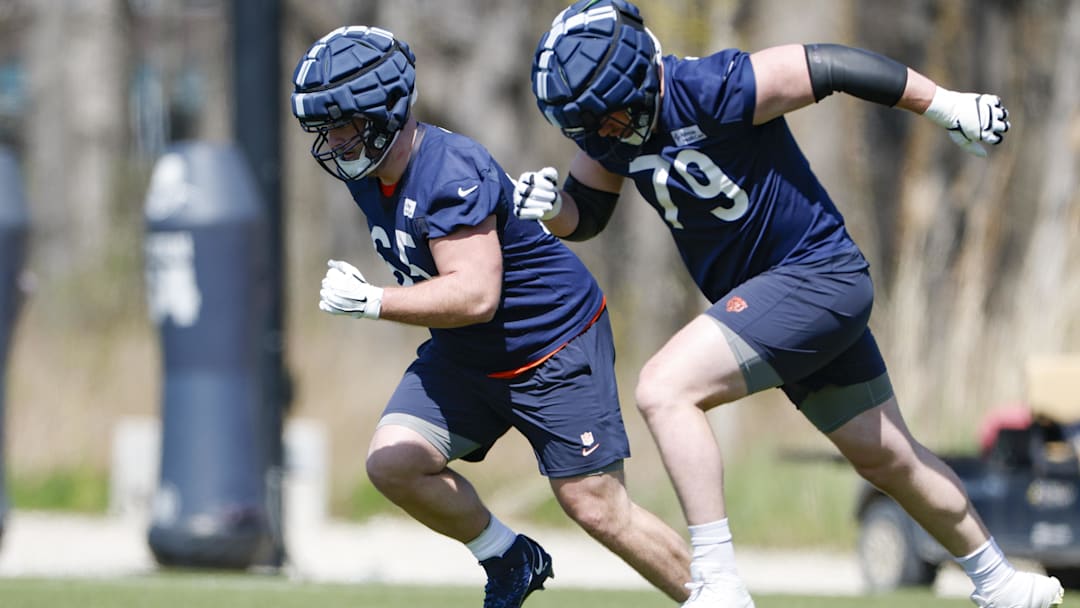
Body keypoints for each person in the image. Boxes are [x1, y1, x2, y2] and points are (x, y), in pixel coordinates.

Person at [514, 2, 1065, 607]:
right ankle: (1001, 583)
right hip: (784, 302)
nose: (601, 134)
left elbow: (832, 65)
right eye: (587, 124)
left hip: (815, 277)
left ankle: (718, 582)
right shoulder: (608, 134)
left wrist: (945, 104)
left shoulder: (715, 85)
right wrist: (554, 210)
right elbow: (586, 213)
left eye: (607, 117)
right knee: (887, 459)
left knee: (664, 388)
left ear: (639, 83)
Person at [289, 25, 692, 608]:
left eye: (341, 124)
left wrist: (374, 301)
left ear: (381, 114)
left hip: (549, 346)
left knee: (596, 505)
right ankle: (508, 556)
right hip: (470, 352)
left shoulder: (448, 171)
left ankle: (716, 599)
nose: (333, 141)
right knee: (394, 462)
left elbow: (475, 294)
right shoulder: (372, 174)